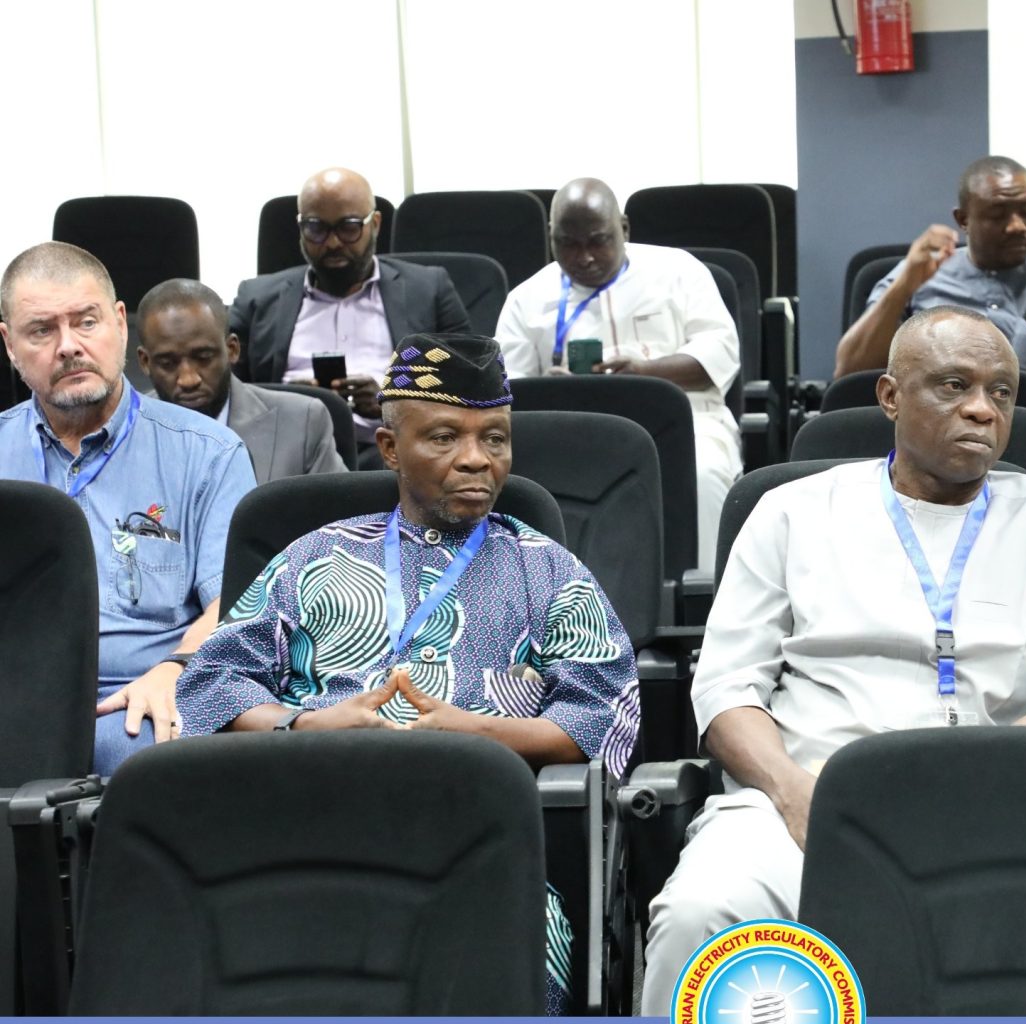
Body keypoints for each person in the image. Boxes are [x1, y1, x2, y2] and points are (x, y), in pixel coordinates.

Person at [639, 306, 1026, 1012]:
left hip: (999, 800)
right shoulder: (790, 512)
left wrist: (992, 780)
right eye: (954, 385)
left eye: (1001, 392)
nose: (983, 409)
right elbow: (726, 689)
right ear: (891, 397)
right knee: (700, 912)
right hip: (812, 794)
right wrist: (791, 792)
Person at [176, 333, 641, 1014]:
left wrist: (477, 734)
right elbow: (210, 684)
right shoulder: (313, 558)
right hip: (300, 838)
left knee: (525, 940)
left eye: (495, 439)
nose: (477, 459)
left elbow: (603, 716)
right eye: (445, 437)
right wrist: (303, 726)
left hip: (480, 845)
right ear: (391, 448)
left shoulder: (546, 569)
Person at [0, 242, 256, 774]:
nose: (68, 346)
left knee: (144, 757)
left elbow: (233, 602)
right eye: (41, 331)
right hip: (12, 695)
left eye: (85, 322)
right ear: (9, 345)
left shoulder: (207, 452)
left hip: (137, 694)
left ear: (120, 323)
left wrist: (177, 667)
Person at [494, 177, 742, 570]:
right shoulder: (526, 300)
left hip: (688, 423)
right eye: (568, 243)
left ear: (623, 228)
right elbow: (507, 392)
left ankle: (703, 594)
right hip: (570, 434)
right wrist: (551, 392)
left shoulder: (680, 272)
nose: (584, 257)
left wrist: (645, 374)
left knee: (705, 475)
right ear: (550, 236)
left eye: (598, 241)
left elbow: (720, 354)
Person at [229, 167, 472, 466]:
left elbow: (469, 384)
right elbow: (227, 389)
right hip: (288, 458)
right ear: (300, 227)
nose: (332, 243)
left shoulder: (430, 289)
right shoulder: (256, 297)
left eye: (348, 227)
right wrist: (288, 401)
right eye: (316, 228)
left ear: (375, 224)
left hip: (396, 456)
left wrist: (392, 402)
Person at [833, 155, 1026, 406]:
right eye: (998, 215)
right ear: (963, 219)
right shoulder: (917, 274)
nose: (1018, 226)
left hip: (1022, 424)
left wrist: (992, 400)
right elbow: (850, 372)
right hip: (926, 425)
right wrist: (903, 286)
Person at [137, 278, 347, 483]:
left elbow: (340, 506)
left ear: (232, 349)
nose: (189, 379)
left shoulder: (303, 422)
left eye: (204, 358)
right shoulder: (128, 431)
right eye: (168, 363)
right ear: (145, 361)